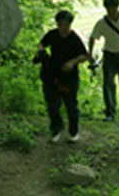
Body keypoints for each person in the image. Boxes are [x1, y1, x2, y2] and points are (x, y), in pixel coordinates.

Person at [35, 10, 89, 143]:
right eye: (60, 24)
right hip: (52, 74)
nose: (63, 27)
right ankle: (56, 130)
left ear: (70, 24)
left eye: (66, 24)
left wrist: (72, 62)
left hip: (69, 77)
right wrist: (41, 50)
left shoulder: (74, 38)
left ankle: (73, 131)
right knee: (52, 105)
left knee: (71, 105)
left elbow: (84, 55)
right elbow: (42, 43)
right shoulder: (52, 34)